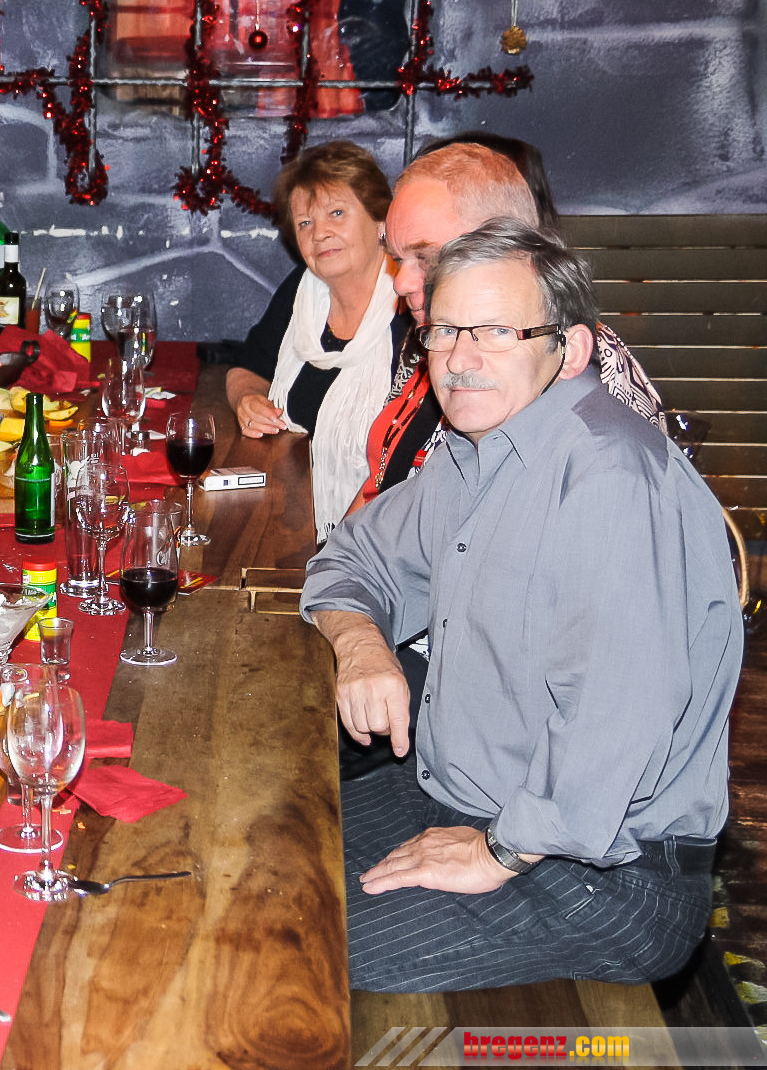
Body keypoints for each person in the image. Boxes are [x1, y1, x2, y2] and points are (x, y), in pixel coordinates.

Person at [303, 222, 741, 992]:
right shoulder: (474, 450)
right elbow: (350, 558)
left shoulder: (607, 474)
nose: (460, 359)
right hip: (456, 794)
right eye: (444, 331)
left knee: (290, 951)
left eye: (498, 332)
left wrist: (498, 850)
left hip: (601, 871)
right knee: (257, 860)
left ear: (569, 351)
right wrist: (362, 645)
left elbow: (619, 715)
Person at [358, 141, 664, 511]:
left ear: (506, 243)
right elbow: (382, 483)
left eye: (425, 257)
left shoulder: (569, 361)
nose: (401, 283)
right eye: (398, 259)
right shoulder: (427, 336)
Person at [223, 141, 405, 539]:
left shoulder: (412, 306)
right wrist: (247, 399)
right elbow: (247, 366)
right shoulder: (303, 291)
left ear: (380, 220)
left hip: (382, 535)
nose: (320, 233)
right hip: (291, 519)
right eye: (305, 223)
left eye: (336, 213)